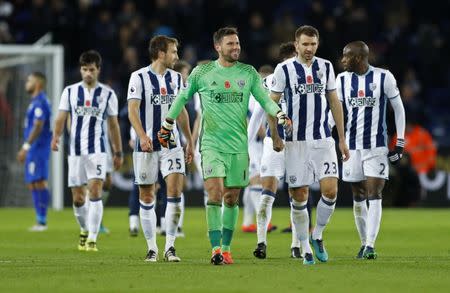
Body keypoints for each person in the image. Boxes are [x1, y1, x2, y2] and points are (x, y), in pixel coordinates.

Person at [158, 27, 290, 265]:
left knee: (231, 198)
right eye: (230, 44)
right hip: (211, 145)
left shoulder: (248, 73)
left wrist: (279, 114)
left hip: (239, 147)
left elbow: (264, 99)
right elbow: (182, 98)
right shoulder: (202, 72)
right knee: (215, 193)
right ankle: (215, 249)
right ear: (218, 47)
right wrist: (168, 122)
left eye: (237, 43)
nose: (235, 47)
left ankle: (226, 248)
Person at [267, 25, 350, 265]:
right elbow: (271, 105)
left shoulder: (325, 67)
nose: (309, 48)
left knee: (331, 191)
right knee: (300, 195)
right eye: (305, 44)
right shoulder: (284, 69)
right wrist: (275, 136)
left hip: (323, 139)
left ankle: (318, 235)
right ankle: (305, 248)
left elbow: (334, 101)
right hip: (295, 142)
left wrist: (342, 138)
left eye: (313, 44)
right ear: (296, 45)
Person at [127, 35, 194, 262]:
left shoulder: (177, 79)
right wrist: (143, 136)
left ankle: (170, 247)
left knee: (175, 191)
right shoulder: (138, 77)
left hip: (172, 144)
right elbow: (132, 111)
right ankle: (152, 248)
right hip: (145, 146)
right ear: (161, 53)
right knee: (146, 196)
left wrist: (189, 140)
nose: (177, 56)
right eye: (173, 52)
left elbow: (182, 112)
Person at [338, 41, 406, 259]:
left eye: (346, 57)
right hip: (351, 146)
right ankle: (363, 243)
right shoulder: (341, 80)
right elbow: (336, 113)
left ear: (358, 58)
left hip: (376, 146)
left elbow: (399, 108)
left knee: (374, 193)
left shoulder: (384, 77)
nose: (343, 60)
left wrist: (400, 141)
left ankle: (370, 245)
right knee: (357, 194)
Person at [51, 50, 123, 251]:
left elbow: (113, 125)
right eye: (84, 69)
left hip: (98, 151)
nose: (88, 73)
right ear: (80, 70)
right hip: (75, 151)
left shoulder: (108, 93)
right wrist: (56, 137)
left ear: (98, 70)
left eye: (91, 69)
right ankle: (84, 229)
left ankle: (92, 237)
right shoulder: (70, 91)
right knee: (78, 198)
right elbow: (61, 117)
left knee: (95, 190)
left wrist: (117, 152)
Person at [249, 42, 301, 259]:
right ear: (284, 60)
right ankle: (261, 242)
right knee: (267, 191)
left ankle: (297, 244)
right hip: (273, 143)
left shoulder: (307, 80)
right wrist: (246, 146)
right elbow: (257, 116)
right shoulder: (269, 82)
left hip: (300, 144)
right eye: (293, 58)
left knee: (298, 194)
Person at [17, 72, 52, 232]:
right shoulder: (35, 101)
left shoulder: (40, 102)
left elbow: (38, 125)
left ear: (38, 83)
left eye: (29, 80)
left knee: (39, 181)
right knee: (33, 182)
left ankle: (42, 221)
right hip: (34, 148)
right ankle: (40, 219)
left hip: (38, 147)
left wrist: (25, 146)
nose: (27, 83)